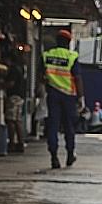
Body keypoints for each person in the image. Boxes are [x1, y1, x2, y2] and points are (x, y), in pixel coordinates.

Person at [41, 29, 85, 170]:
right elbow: (77, 78)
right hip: (68, 97)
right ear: (68, 43)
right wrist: (81, 98)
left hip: (52, 95)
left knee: (52, 126)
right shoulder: (72, 56)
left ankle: (54, 157)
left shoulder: (47, 55)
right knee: (68, 127)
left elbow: (41, 76)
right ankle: (70, 154)